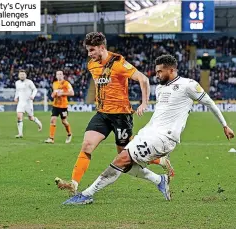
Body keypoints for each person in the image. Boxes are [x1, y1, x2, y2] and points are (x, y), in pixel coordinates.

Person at [62, 54, 235, 205]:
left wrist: (224, 125)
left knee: (121, 159)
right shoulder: (160, 88)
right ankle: (160, 180)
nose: (157, 74)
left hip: (164, 137)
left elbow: (210, 103)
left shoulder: (188, 85)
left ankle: (86, 194)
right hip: (149, 132)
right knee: (127, 164)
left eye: (160, 71)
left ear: (171, 70)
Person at [55, 32, 172, 195]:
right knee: (87, 145)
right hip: (102, 114)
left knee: (125, 159)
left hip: (121, 116)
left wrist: (144, 102)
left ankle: (159, 174)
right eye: (88, 51)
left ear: (102, 47)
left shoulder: (118, 63)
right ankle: (74, 184)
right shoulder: (92, 65)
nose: (89, 54)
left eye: (92, 50)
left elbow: (143, 79)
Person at [45, 70, 74, 144]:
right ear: (56, 75)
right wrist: (53, 95)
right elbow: (53, 93)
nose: (59, 75)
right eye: (58, 74)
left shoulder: (66, 83)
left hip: (63, 106)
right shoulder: (54, 83)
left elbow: (72, 93)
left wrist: (62, 93)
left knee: (64, 121)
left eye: (60, 74)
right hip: (55, 105)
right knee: (52, 120)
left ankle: (69, 134)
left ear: (63, 75)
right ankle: (51, 138)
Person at [14, 69, 42, 138]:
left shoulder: (29, 82)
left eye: (23, 74)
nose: (22, 76)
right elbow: (17, 91)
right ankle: (20, 134)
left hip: (28, 103)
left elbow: (35, 89)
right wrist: (16, 97)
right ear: (18, 75)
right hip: (21, 102)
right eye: (21, 75)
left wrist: (32, 96)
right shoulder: (17, 83)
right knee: (19, 117)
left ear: (26, 75)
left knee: (31, 118)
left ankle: (38, 122)